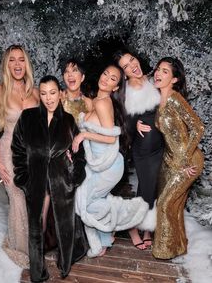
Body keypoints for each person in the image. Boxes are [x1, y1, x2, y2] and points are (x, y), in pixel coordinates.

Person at [74, 63, 156, 258]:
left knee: (87, 203)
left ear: (116, 87)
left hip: (109, 164)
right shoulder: (97, 100)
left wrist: (83, 136)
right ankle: (105, 239)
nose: (106, 79)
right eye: (105, 73)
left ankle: (125, 213)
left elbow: (111, 137)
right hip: (100, 164)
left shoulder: (103, 103)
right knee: (91, 200)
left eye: (112, 78)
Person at [11, 75, 88, 282]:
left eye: (52, 93)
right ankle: (38, 270)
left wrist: (73, 177)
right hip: (36, 182)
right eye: (43, 93)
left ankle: (64, 263)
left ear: (60, 93)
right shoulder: (27, 118)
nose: (48, 98)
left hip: (61, 182)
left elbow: (80, 155)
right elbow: (17, 150)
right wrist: (23, 178)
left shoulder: (68, 121)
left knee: (64, 224)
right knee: (38, 225)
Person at [0, 44, 39, 267]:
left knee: (32, 199)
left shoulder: (35, 91)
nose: (17, 64)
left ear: (26, 63)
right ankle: (22, 249)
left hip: (33, 153)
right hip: (8, 150)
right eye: (12, 60)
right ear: (6, 65)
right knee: (17, 198)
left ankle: (36, 243)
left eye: (21, 59)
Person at [151, 57, 204, 259]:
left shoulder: (174, 98)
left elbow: (198, 128)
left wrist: (184, 159)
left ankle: (164, 251)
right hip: (170, 160)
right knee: (175, 206)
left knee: (165, 204)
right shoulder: (159, 100)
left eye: (165, 71)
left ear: (174, 79)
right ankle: (178, 246)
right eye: (158, 69)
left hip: (188, 161)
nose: (158, 73)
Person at [113, 49, 165, 250]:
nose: (132, 65)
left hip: (161, 146)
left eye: (132, 60)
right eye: (126, 66)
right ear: (124, 72)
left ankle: (144, 228)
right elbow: (121, 123)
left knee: (149, 187)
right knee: (147, 184)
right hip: (142, 150)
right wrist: (133, 125)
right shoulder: (124, 93)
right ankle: (136, 227)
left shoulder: (154, 80)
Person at [61, 58, 92, 122]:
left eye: (74, 70)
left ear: (82, 77)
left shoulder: (88, 103)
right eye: (66, 71)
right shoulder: (58, 99)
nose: (70, 75)